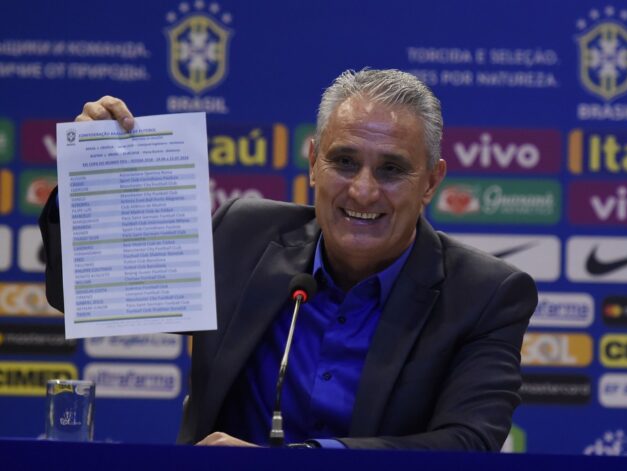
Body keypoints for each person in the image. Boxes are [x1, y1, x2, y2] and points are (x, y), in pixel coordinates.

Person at [40, 69, 537, 450]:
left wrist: (299, 459)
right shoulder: (244, 235)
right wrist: (91, 174)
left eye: (391, 169)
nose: (362, 189)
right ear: (313, 164)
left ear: (431, 181)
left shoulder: (485, 294)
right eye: (344, 161)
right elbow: (82, 293)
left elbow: (466, 443)